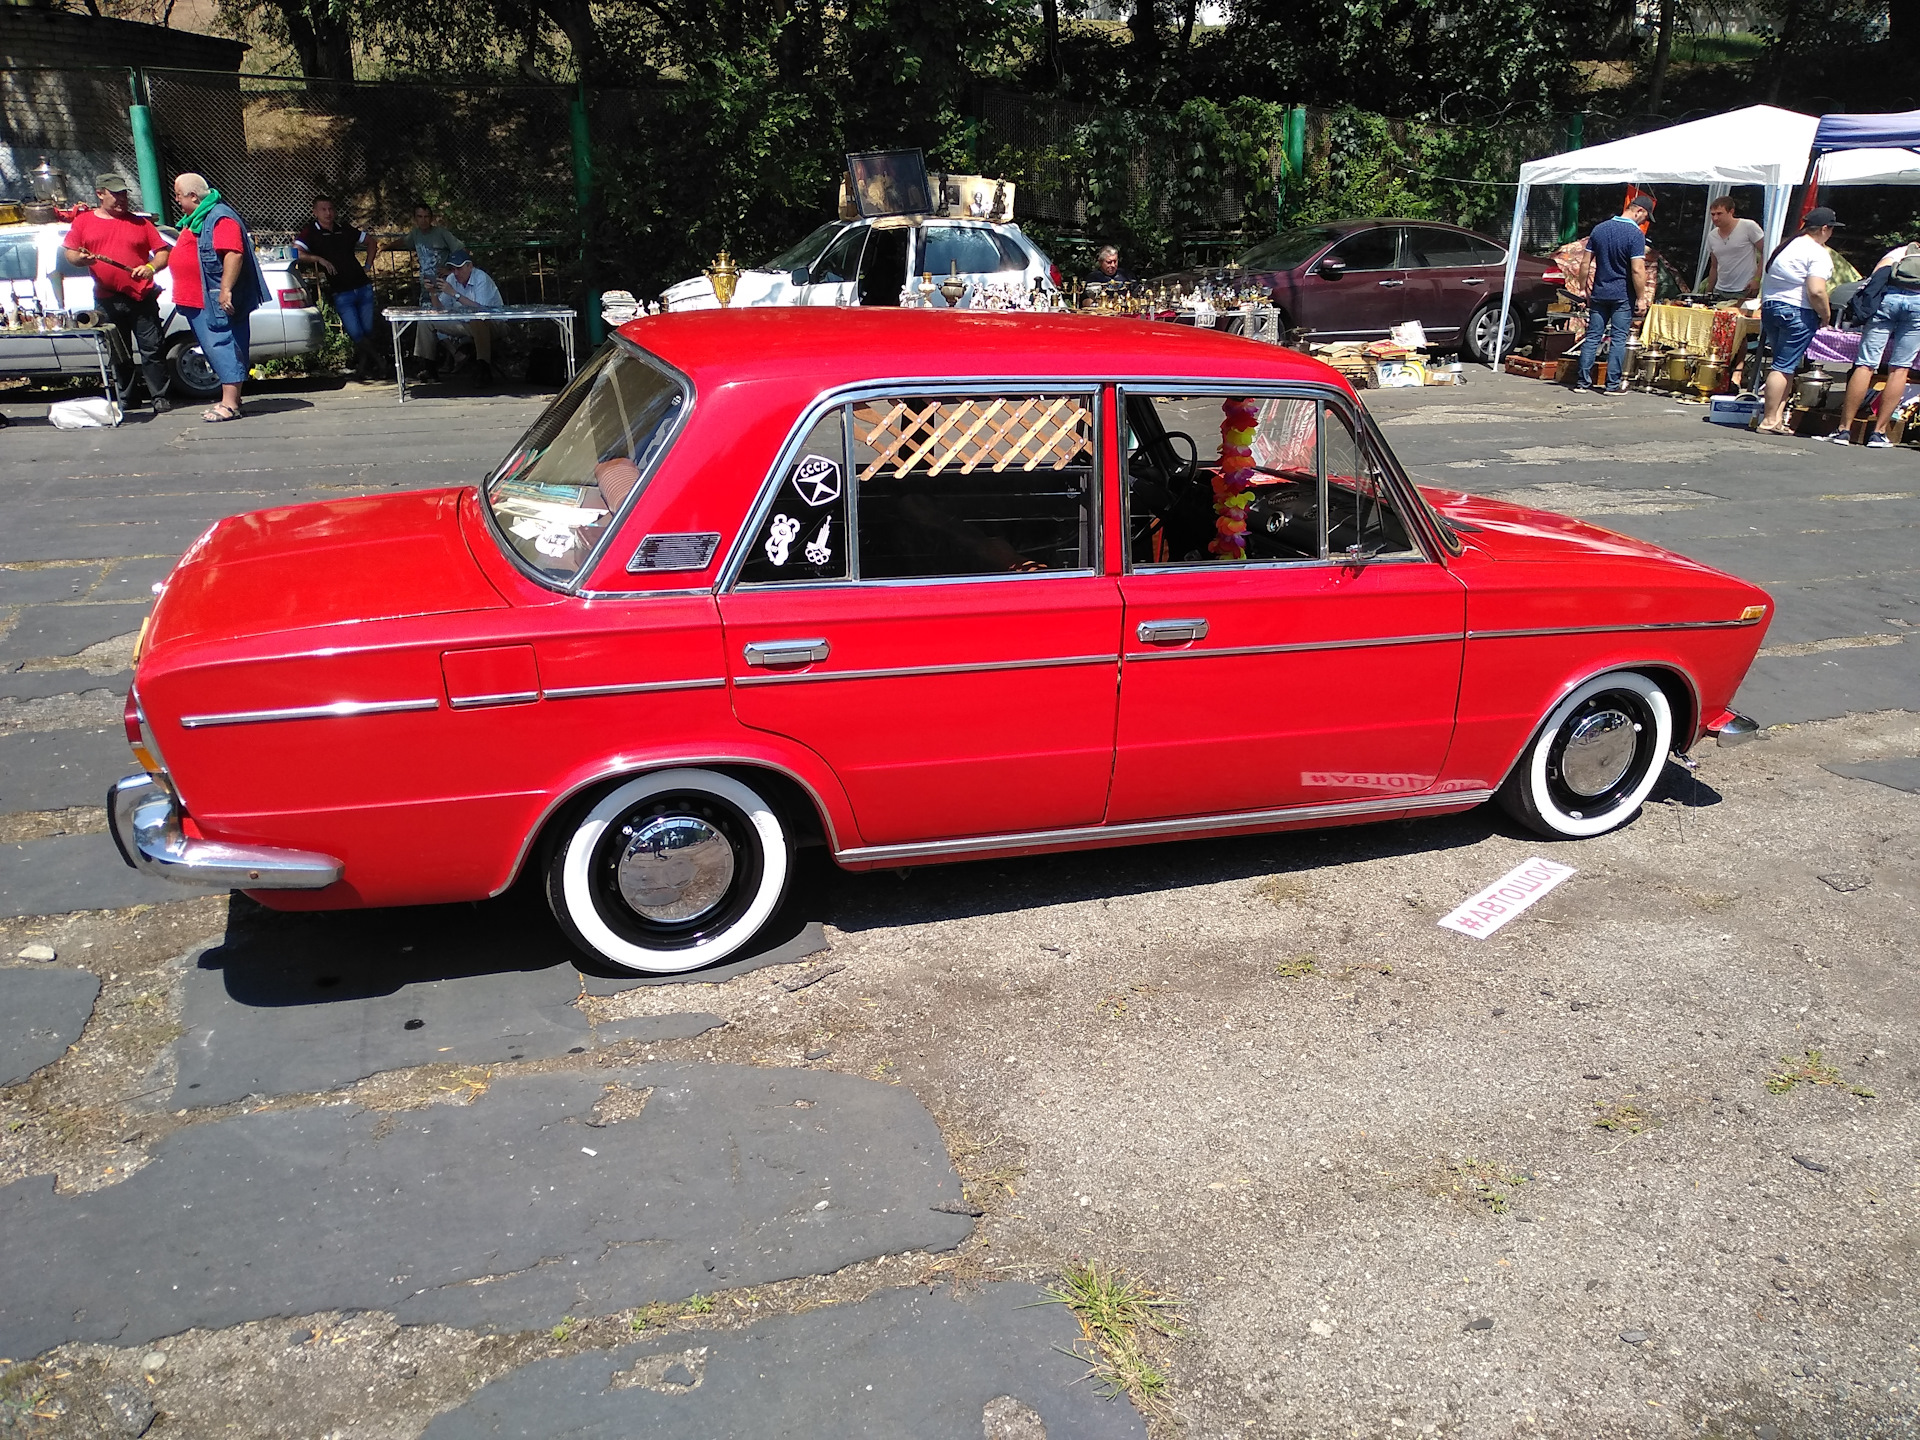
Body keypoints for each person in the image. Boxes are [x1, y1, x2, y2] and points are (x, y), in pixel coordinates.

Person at [61, 174, 173, 412]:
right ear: (100, 193)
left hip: (142, 297)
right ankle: (128, 398)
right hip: (106, 299)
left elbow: (163, 253)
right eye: (116, 194)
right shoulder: (83, 222)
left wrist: (150, 267)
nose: (122, 199)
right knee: (117, 351)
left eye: (124, 194)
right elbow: (70, 254)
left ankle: (159, 397)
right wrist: (81, 259)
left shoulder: (141, 223)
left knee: (152, 349)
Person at [167, 172, 267, 424]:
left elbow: (233, 253)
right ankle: (231, 398)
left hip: (212, 298)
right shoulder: (199, 218)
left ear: (193, 196)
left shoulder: (219, 217)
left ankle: (231, 403)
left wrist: (225, 289)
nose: (177, 200)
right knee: (215, 346)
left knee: (223, 344)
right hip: (196, 299)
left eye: (179, 195)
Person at [1826, 234, 1920, 448]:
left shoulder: (1901, 252)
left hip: (1887, 302)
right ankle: (1878, 433)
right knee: (1900, 369)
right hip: (1917, 306)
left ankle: (1844, 430)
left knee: (1866, 363)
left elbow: (1875, 280)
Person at [1755, 207, 1840, 436]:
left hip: (1772, 307)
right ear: (1824, 229)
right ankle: (1770, 419)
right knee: (1783, 366)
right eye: (1831, 229)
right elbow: (1816, 290)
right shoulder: (1818, 252)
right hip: (1797, 310)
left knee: (1785, 364)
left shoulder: (1787, 246)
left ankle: (1778, 417)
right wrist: (1825, 314)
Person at [1573, 194, 1653, 394]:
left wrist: (1582, 288)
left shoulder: (1600, 229)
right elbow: (1637, 269)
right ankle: (1611, 385)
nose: (1644, 222)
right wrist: (1642, 297)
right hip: (1622, 296)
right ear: (1638, 211)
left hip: (1599, 292)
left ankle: (1582, 383)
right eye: (1645, 218)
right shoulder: (1635, 235)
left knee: (1593, 336)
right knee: (1618, 338)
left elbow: (1585, 262)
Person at [294, 196, 382, 379]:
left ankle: (364, 366)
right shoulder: (311, 233)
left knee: (367, 331)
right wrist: (319, 259)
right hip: (342, 291)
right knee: (356, 333)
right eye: (323, 210)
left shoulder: (344, 229)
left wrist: (367, 265)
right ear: (315, 212)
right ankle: (380, 361)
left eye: (331, 209)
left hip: (362, 286)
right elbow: (297, 252)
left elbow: (371, 242)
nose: (328, 213)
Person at [428, 249, 502, 384]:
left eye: (459, 268)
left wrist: (455, 294)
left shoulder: (481, 279)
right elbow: (440, 310)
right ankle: (428, 366)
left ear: (470, 266)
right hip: (464, 323)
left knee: (478, 320)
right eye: (452, 269)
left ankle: (483, 368)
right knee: (426, 322)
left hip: (492, 322)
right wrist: (433, 293)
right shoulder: (451, 279)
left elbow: (481, 310)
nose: (456, 273)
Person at [1703, 196, 1764, 302]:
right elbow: (1714, 266)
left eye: (1719, 213)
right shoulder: (1711, 236)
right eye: (1713, 214)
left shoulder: (1748, 226)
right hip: (1720, 290)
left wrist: (1757, 280)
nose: (1715, 218)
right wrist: (1709, 292)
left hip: (1745, 289)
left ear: (1731, 211)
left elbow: (1766, 253)